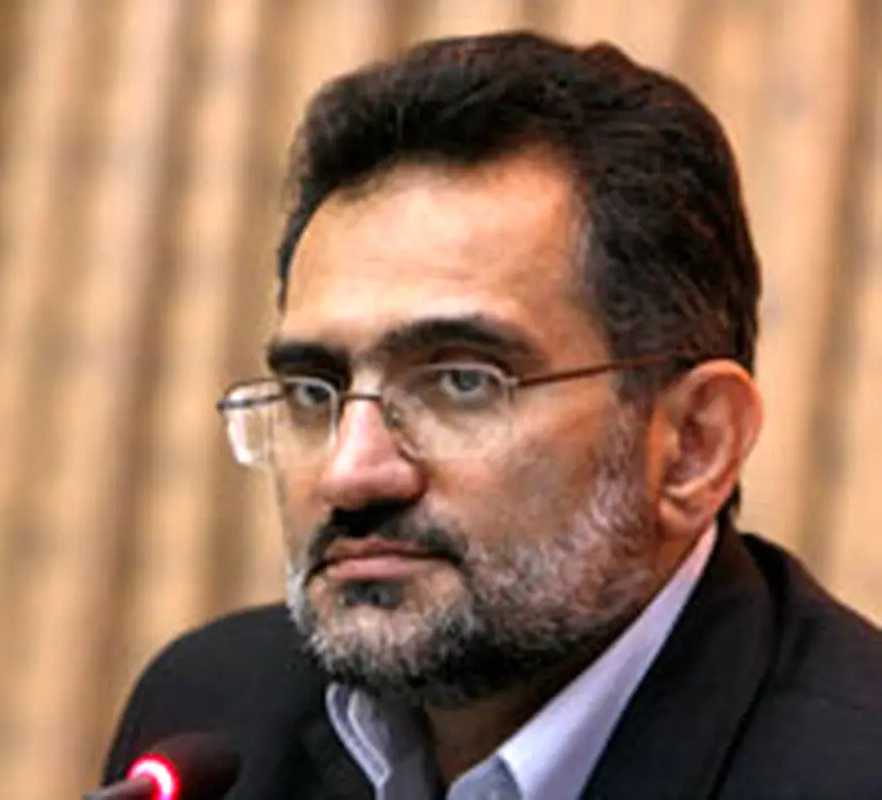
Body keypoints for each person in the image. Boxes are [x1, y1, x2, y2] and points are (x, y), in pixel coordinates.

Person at [101, 31, 882, 800]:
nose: (351, 473)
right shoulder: (215, 713)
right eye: (313, 390)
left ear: (693, 446)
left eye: (461, 382)